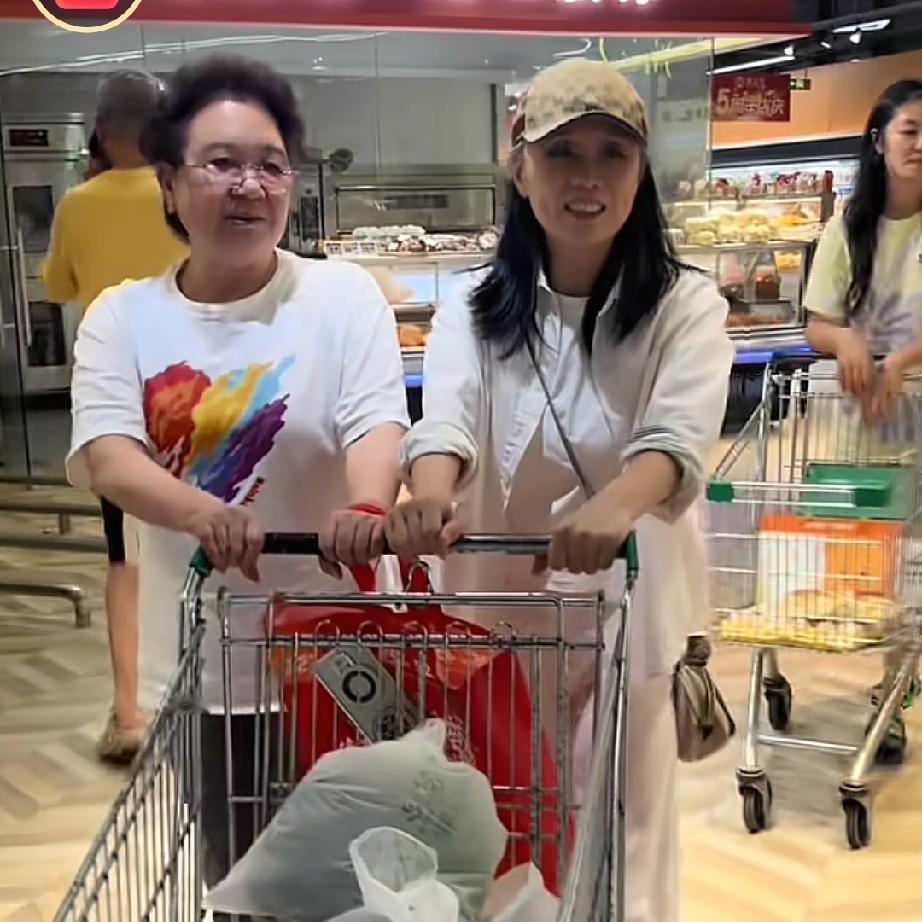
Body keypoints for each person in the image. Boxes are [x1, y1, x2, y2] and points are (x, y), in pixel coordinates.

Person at [384, 58, 733, 922]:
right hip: (497, 617)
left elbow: (677, 435)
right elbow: (448, 419)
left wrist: (613, 508)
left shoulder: (685, 306)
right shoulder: (473, 308)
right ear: (520, 167)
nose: (588, 177)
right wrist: (429, 492)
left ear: (640, 172)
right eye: (562, 152)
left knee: (624, 824)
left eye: (614, 154)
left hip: (630, 611)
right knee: (498, 819)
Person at [66, 55, 408, 891]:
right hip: (209, 658)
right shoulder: (123, 316)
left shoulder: (343, 297)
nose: (248, 185)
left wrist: (370, 502)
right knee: (244, 874)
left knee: (372, 874)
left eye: (270, 165)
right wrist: (202, 514)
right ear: (169, 182)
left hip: (347, 645)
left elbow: (376, 419)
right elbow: (109, 455)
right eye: (221, 163)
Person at [43, 71, 189, 764]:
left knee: (127, 559)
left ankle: (131, 712)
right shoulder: (179, 190)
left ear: (101, 132)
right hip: (196, 392)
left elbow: (57, 285)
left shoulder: (79, 202)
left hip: (119, 404)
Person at [804, 78, 922, 757]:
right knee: (865, 559)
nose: (920, 144)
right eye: (910, 129)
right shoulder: (848, 226)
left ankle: (894, 689)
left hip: (915, 407)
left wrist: (901, 360)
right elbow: (817, 323)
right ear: (879, 141)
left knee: (915, 564)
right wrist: (846, 340)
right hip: (858, 419)